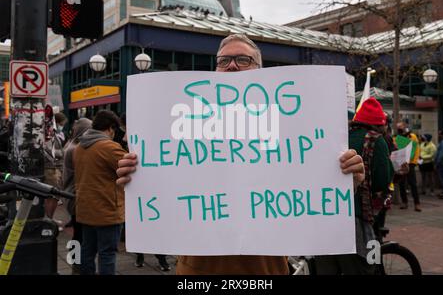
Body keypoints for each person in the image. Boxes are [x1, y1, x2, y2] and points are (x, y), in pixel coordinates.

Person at [116, 33, 365, 275]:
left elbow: (311, 189)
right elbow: (166, 184)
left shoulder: (288, 125)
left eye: (243, 60)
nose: (232, 66)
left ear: (260, 70)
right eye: (223, 61)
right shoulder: (184, 126)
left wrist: (345, 180)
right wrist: (136, 177)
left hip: (265, 269)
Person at [315, 98, 394, 275]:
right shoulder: (377, 140)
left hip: (325, 218)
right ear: (380, 124)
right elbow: (382, 181)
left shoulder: (338, 137)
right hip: (356, 219)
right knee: (361, 267)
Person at [74, 110, 127, 275]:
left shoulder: (80, 146)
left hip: (85, 209)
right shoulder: (109, 147)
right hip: (107, 210)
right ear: (110, 128)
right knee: (107, 254)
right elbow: (132, 168)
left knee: (87, 251)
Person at [118, 113, 171, 271]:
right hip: (140, 193)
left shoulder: (156, 139)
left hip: (153, 192)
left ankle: (159, 259)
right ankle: (146, 257)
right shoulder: (125, 143)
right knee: (144, 227)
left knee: (153, 227)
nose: (125, 138)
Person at [62, 117, 92, 274]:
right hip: (75, 196)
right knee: (79, 235)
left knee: (77, 234)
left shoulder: (70, 144)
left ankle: (76, 265)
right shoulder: (76, 148)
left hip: (70, 195)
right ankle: (76, 265)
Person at [43, 106, 66, 223]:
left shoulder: (54, 133)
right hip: (51, 168)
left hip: (55, 167)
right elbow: (47, 150)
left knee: (54, 196)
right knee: (52, 196)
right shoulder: (48, 134)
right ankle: (49, 219)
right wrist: (62, 153)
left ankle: (50, 218)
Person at [395, 122, 421, 212]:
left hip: (410, 163)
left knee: (413, 183)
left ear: (405, 127)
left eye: (401, 127)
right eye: (398, 127)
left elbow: (417, 149)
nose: (400, 128)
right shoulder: (396, 137)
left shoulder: (412, 136)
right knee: (401, 184)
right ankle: (404, 202)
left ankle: (417, 203)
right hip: (401, 163)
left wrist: (414, 162)